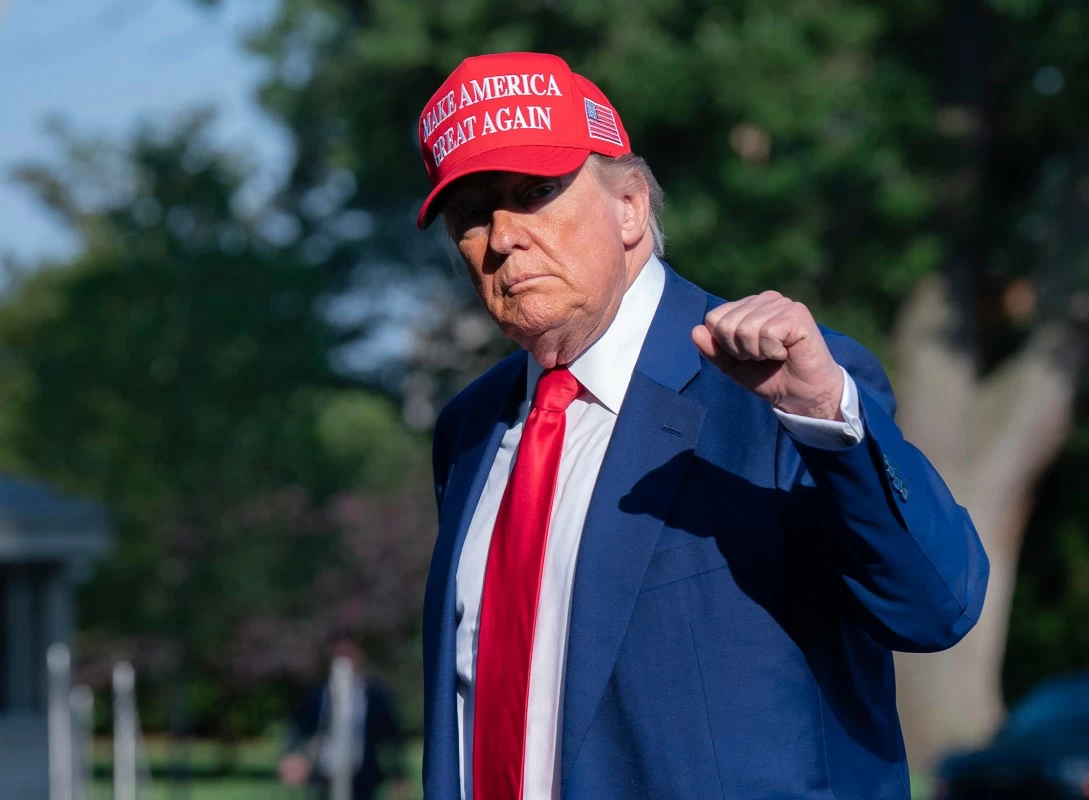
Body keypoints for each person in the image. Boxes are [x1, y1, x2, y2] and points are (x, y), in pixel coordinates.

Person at [417, 51, 989, 800]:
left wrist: (825, 418)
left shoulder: (786, 388)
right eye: (471, 214)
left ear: (629, 207)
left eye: (536, 193)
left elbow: (937, 608)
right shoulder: (467, 430)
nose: (501, 238)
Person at [278, 634, 403, 799]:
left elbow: (391, 738)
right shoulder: (315, 694)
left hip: (363, 776)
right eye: (338, 655)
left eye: (349, 654)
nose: (344, 661)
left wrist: (398, 774)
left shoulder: (375, 695)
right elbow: (298, 729)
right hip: (322, 776)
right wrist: (292, 754)